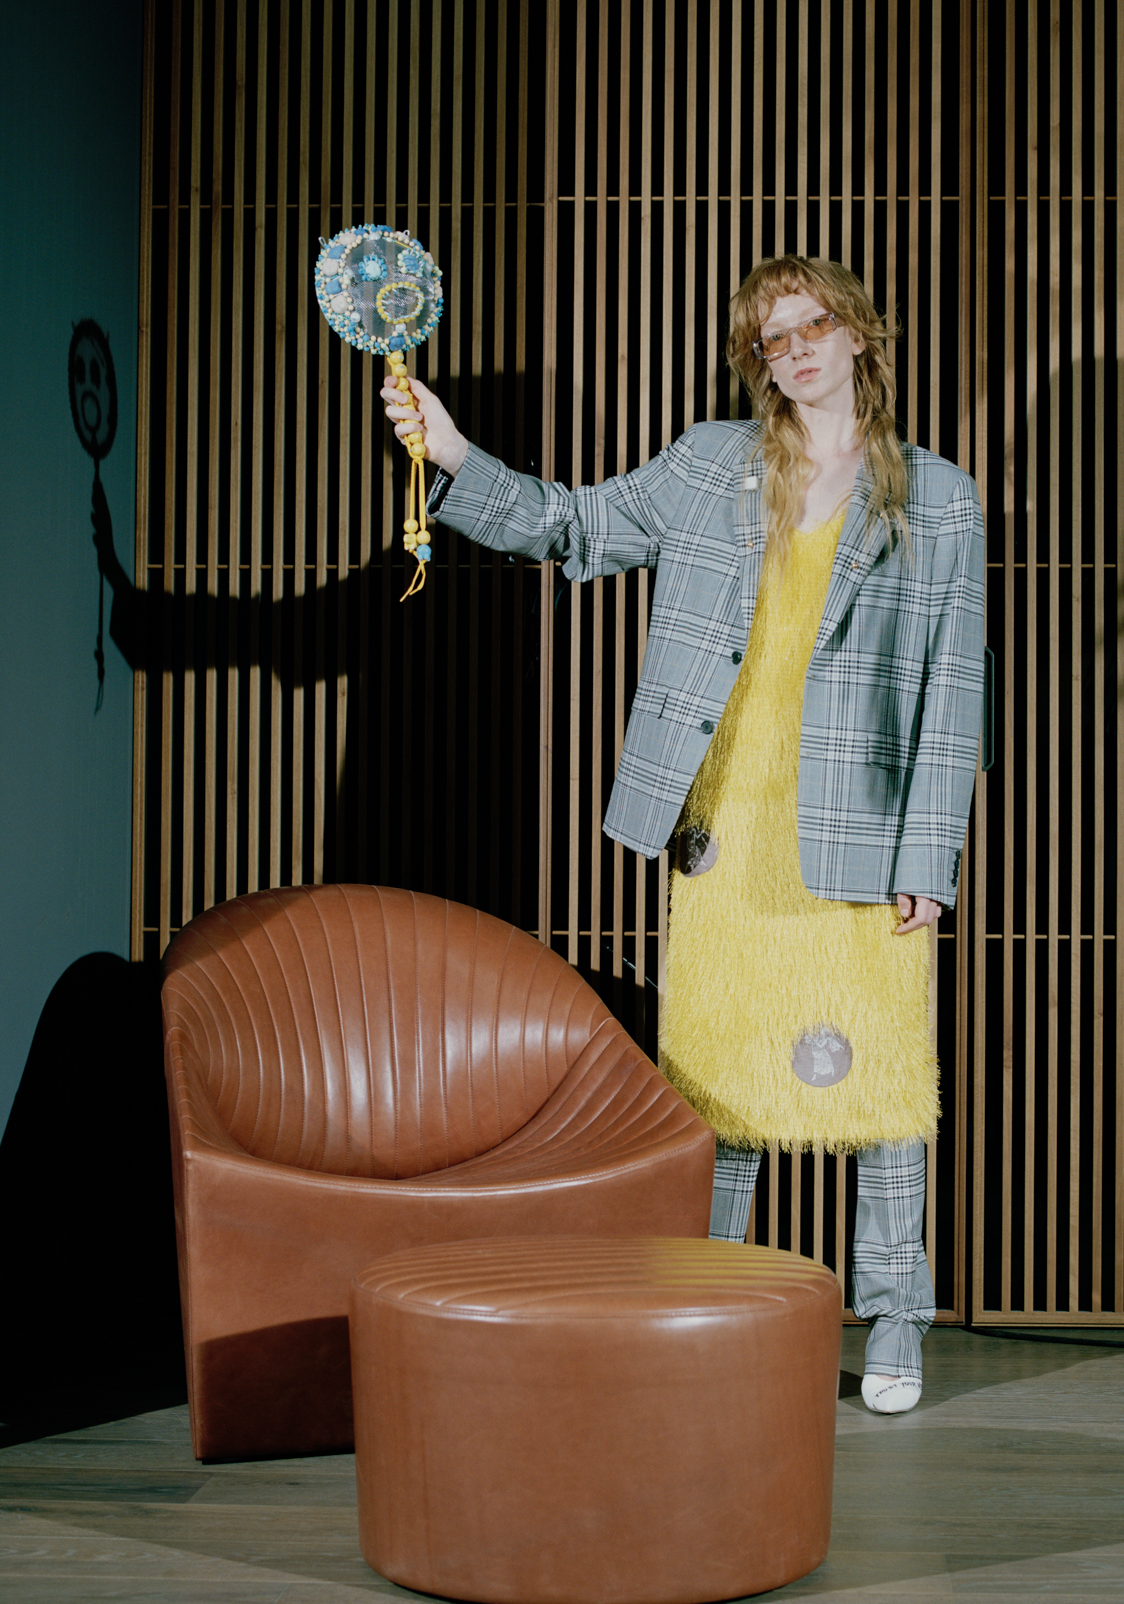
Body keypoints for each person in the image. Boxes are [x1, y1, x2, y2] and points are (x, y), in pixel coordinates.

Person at [381, 256, 986, 1412]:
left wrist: (931, 861)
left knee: (884, 1087)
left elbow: (954, 691)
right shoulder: (709, 464)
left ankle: (895, 1314)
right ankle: (711, 1305)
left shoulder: (940, 495)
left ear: (860, 333)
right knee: (719, 1080)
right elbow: (572, 525)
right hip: (725, 826)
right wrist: (453, 454)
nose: (795, 349)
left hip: (862, 832)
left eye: (812, 325)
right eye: (771, 338)